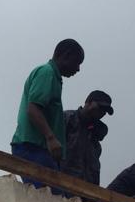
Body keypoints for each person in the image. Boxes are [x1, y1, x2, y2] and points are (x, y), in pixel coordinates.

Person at [10, 39, 85, 190]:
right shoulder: (47, 73)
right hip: (33, 147)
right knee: (48, 199)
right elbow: (33, 109)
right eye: (77, 63)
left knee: (54, 198)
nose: (78, 69)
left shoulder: (54, 77)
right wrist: (51, 138)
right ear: (66, 55)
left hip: (39, 149)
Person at [62, 90, 113, 188]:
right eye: (100, 107)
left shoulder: (95, 136)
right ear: (88, 102)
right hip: (61, 184)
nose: (102, 112)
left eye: (105, 111)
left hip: (87, 192)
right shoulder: (66, 118)